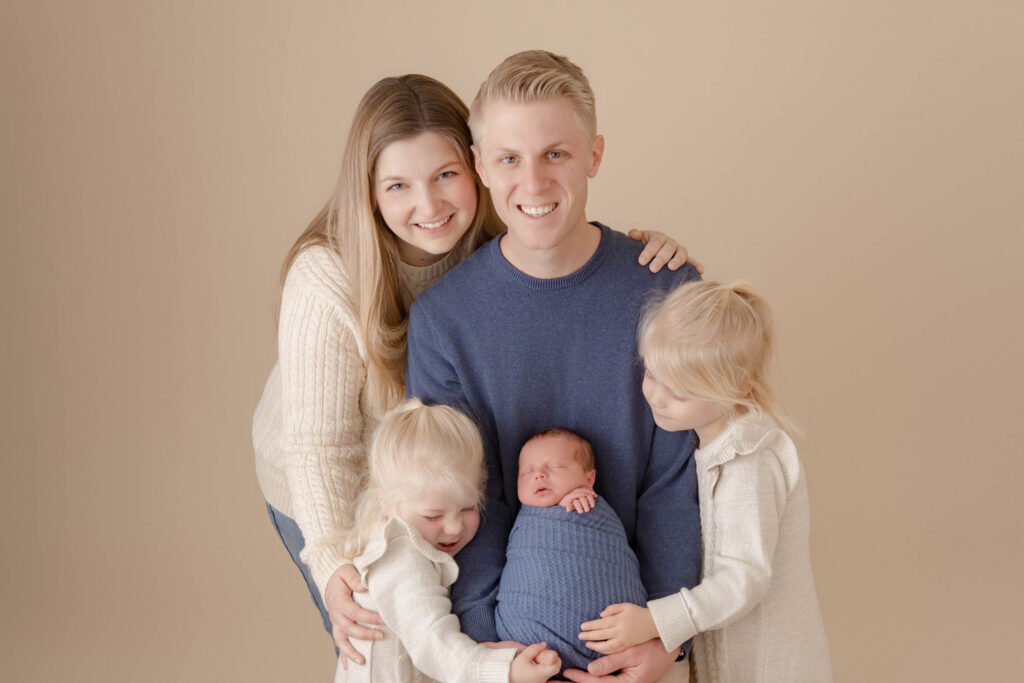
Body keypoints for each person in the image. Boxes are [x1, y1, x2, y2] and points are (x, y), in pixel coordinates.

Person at [250, 73, 694, 665]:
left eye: (445, 175)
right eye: (399, 185)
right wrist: (335, 562)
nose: (429, 206)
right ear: (369, 193)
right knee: (384, 638)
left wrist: (667, 628)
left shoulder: (489, 237)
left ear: (473, 170)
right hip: (334, 479)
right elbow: (317, 447)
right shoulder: (331, 278)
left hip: (452, 490)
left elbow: (556, 244)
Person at [406, 51, 703, 682]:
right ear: (481, 164)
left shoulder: (666, 288)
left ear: (594, 155)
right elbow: (465, 498)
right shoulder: (444, 320)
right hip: (513, 647)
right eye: (510, 158)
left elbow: (678, 481)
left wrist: (666, 637)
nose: (534, 183)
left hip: (647, 634)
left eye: (556, 155)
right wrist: (495, 652)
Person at [578, 281, 833, 682]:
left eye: (679, 392)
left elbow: (745, 578)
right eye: (651, 373)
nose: (656, 398)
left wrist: (654, 622)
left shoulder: (747, 460)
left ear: (736, 389)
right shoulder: (704, 438)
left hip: (768, 668)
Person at [334, 398, 561, 682]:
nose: (454, 528)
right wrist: (506, 671)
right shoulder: (401, 560)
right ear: (387, 504)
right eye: (433, 516)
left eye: (468, 508)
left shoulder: (404, 536)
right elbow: (434, 644)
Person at [496, 429, 647, 674]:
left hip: (611, 644)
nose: (539, 475)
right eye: (527, 472)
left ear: (589, 478)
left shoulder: (594, 511)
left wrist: (585, 503)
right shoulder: (522, 520)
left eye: (554, 467)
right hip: (529, 649)